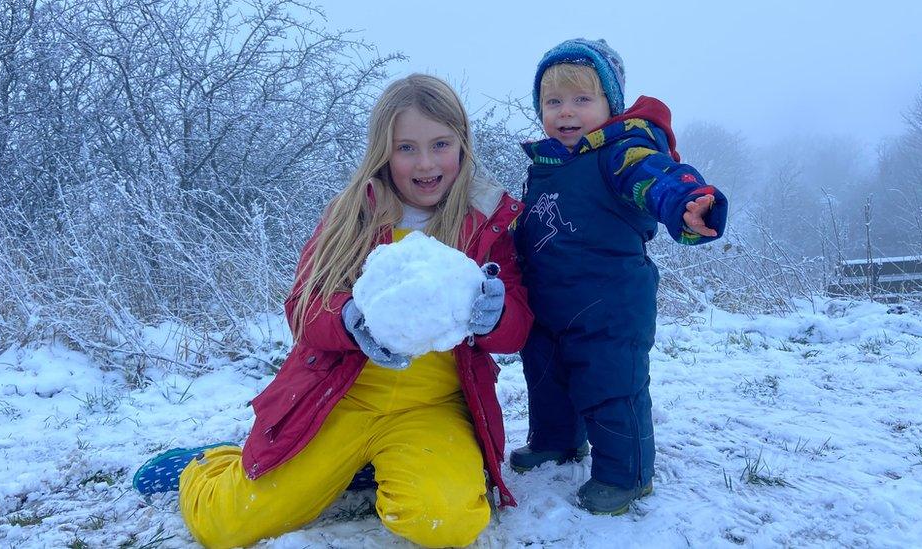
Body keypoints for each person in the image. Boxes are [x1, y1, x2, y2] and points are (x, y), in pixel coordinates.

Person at [132, 74, 532, 549]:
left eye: (440, 144)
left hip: (433, 410)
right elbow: (304, 304)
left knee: (447, 524)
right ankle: (209, 466)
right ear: (383, 151)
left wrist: (497, 312)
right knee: (226, 527)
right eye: (406, 148)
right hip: (340, 399)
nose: (425, 163)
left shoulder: (486, 223)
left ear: (462, 145)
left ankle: (378, 465)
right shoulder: (354, 215)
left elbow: (516, 330)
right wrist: (348, 319)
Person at [510, 38, 728, 515]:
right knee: (546, 376)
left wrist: (685, 205)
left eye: (581, 100)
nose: (566, 112)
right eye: (553, 101)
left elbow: (658, 178)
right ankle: (557, 440)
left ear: (611, 105)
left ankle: (626, 474)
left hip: (611, 305)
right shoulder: (544, 166)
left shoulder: (620, 152)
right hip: (549, 304)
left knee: (611, 386)